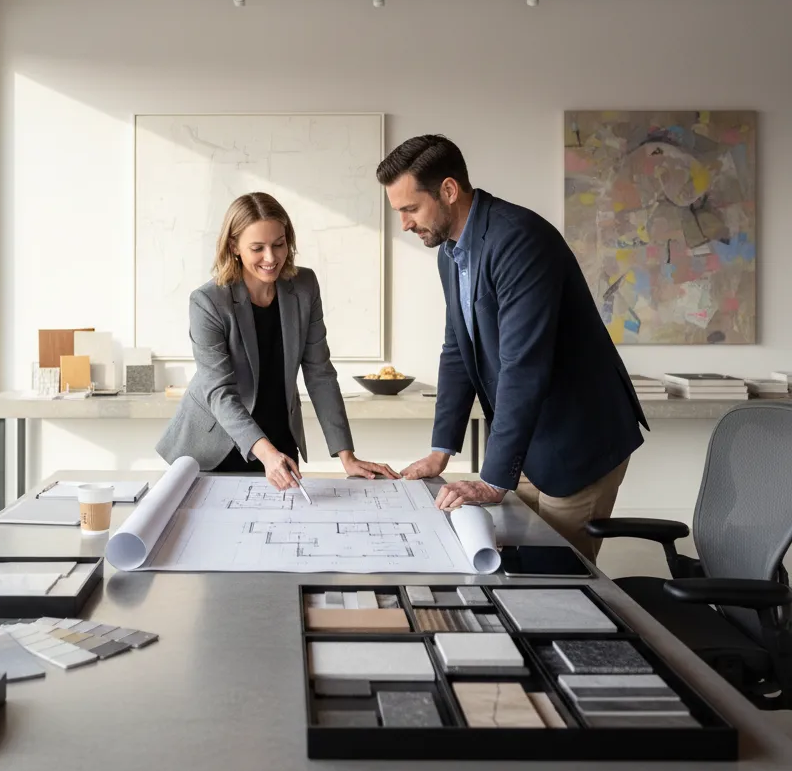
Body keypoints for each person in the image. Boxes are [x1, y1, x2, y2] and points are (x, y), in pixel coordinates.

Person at [376, 135, 646, 561]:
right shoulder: (451, 252)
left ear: (448, 190)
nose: (405, 224)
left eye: (410, 209)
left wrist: (493, 480)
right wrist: (440, 450)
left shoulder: (518, 240)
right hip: (526, 444)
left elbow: (523, 365)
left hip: (575, 441)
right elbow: (457, 351)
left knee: (560, 580)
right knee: (514, 567)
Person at [157, 192, 397, 491]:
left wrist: (346, 456)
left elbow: (319, 372)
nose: (271, 258)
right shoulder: (208, 301)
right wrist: (266, 454)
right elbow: (219, 392)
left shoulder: (304, 286)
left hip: (280, 438)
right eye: (257, 248)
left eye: (279, 244)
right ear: (234, 246)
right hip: (217, 445)